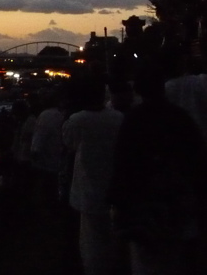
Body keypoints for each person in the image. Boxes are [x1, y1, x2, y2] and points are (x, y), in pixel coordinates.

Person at [110, 61, 207, 275]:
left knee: (146, 262)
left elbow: (123, 163)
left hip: (144, 205)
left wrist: (119, 201)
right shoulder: (179, 117)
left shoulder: (133, 120)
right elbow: (198, 157)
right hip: (179, 201)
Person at [62, 75, 125, 275]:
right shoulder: (118, 118)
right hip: (114, 184)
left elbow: (68, 144)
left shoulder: (77, 120)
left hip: (87, 188)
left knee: (91, 242)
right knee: (113, 236)